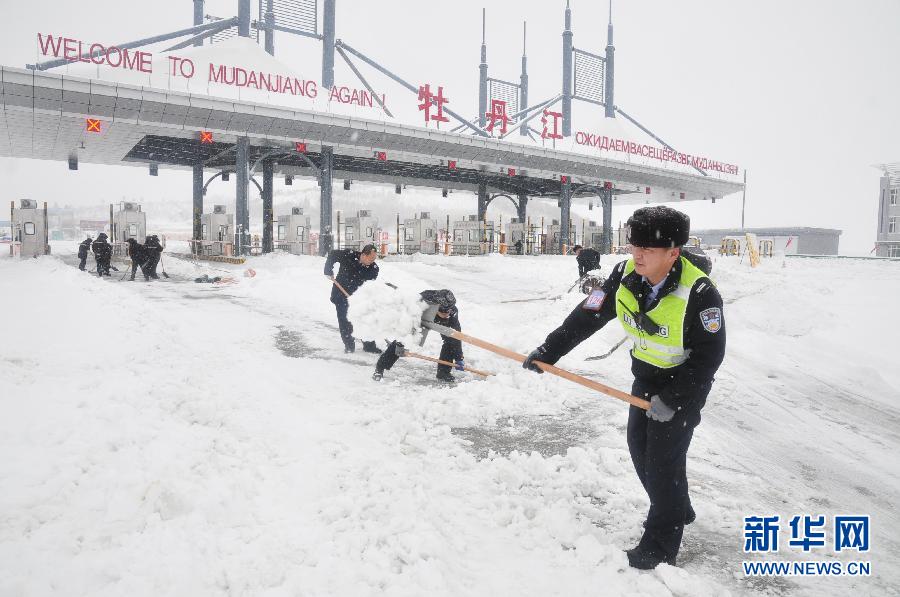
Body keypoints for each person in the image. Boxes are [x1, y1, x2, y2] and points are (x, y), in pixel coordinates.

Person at [522, 206, 726, 570]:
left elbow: (709, 358)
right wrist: (549, 351)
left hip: (684, 385)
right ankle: (676, 505)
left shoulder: (700, 294)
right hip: (646, 378)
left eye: (648, 249)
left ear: (673, 253)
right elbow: (588, 315)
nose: (638, 255)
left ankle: (660, 546)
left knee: (663, 461)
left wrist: (675, 399)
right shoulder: (625, 275)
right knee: (640, 449)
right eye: (635, 246)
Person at [373, 289, 464, 382]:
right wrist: (400, 345)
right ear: (437, 306)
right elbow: (406, 328)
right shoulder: (420, 303)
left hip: (437, 318)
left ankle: (443, 373)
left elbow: (455, 336)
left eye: (449, 311)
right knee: (405, 340)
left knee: (450, 341)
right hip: (420, 318)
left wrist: (458, 357)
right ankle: (380, 368)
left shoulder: (452, 312)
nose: (447, 314)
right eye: (445, 311)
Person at [323, 243, 381, 353]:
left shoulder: (374, 269)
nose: (372, 261)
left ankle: (369, 345)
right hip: (341, 293)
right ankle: (349, 345)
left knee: (365, 320)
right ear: (363, 254)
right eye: (370, 258)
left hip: (359, 297)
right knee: (345, 320)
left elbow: (370, 286)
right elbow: (333, 254)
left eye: (374, 259)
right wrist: (328, 269)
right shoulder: (349, 255)